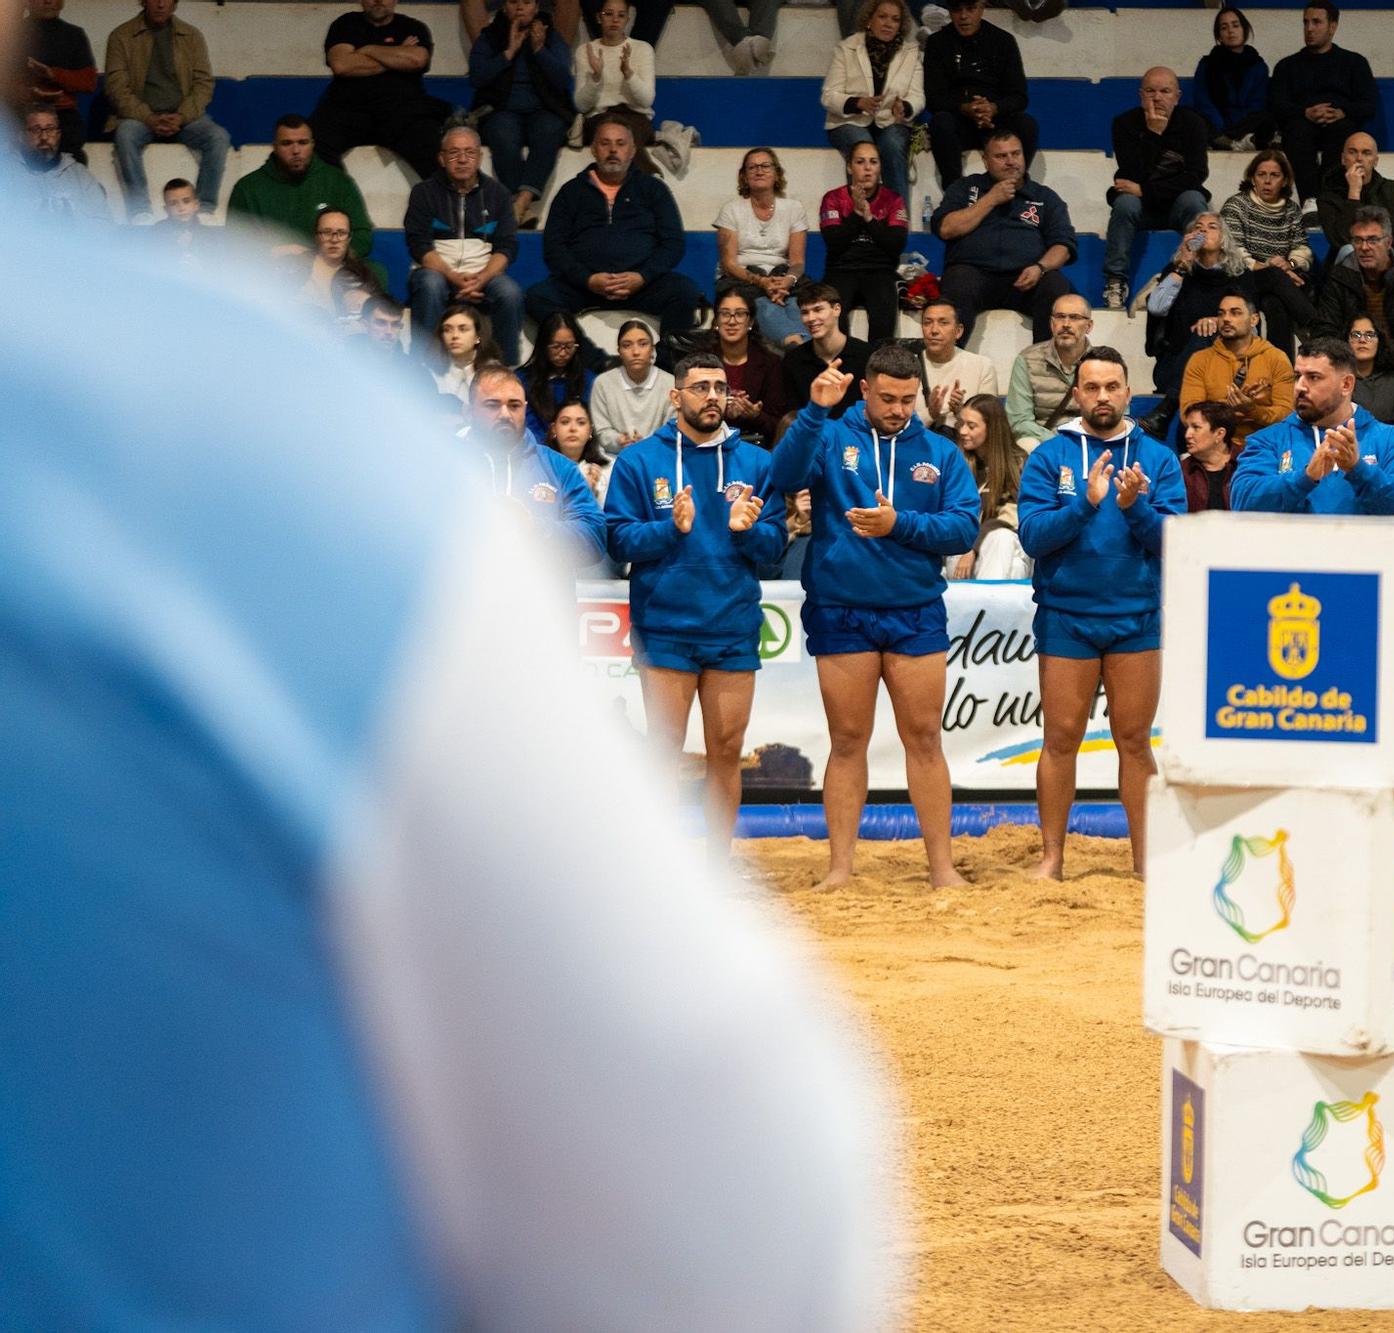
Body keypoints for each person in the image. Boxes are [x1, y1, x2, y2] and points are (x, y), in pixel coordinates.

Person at [0, 152, 900, 1328]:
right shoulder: (258, 416)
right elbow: (745, 1206)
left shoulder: (247, 412)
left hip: (716, 618)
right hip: (644, 639)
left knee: (716, 764)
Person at [768, 345, 982, 891]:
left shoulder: (941, 450)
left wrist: (899, 524)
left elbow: (962, 529)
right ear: (863, 390)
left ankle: (942, 868)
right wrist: (816, 410)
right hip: (842, 609)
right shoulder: (832, 434)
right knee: (846, 740)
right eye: (887, 398)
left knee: (925, 739)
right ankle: (840, 869)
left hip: (914, 611)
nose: (898, 409)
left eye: (908, 400)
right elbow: (784, 475)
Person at [603, 352, 786, 859]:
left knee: (726, 752)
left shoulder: (756, 462)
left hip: (732, 626)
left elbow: (774, 548)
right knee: (664, 753)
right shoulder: (639, 461)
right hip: (665, 628)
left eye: (720, 388)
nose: (712, 397)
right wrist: (670, 528)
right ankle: (659, 866)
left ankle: (716, 862)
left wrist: (749, 531)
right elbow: (617, 541)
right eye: (701, 387)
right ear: (675, 394)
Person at [1016, 346, 1185, 880]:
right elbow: (1033, 537)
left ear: (1128, 391)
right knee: (1059, 738)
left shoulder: (1157, 458)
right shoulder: (1048, 457)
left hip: (1136, 616)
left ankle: (1144, 863)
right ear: (1076, 393)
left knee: (1134, 742)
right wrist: (1084, 503)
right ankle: (1052, 859)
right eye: (1092, 387)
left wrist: (1136, 509)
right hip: (1067, 616)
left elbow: (1176, 543)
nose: (1103, 396)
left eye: (1112, 386)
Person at [528, 116, 702, 351]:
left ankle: (665, 365)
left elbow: (673, 244)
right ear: (593, 149)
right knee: (538, 297)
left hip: (642, 284)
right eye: (605, 143)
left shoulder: (653, 189)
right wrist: (587, 279)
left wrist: (642, 276)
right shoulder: (571, 192)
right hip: (584, 285)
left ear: (632, 151)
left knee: (685, 292)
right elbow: (554, 248)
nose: (613, 150)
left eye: (620, 144)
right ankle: (594, 360)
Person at [1232, 336, 1394, 515]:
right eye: (1297, 376)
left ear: (1346, 385)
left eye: (1314, 377)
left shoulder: (1391, 440)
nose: (1300, 386)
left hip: (1365, 554)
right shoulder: (1267, 440)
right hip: (1293, 554)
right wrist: (1305, 478)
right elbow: (1242, 504)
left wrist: (1359, 470)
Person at [1310, 205, 1394, 445]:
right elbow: (1324, 332)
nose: (1364, 247)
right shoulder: (1339, 277)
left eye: (1372, 240)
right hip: (1351, 358)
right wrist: (1355, 353)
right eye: (1358, 240)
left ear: (1389, 241)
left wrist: (1383, 355)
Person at [931, 131, 1076, 344]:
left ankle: (1044, 363)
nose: (1010, 161)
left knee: (1055, 285)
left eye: (1016, 154)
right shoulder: (965, 188)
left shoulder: (1044, 197)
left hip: (1027, 279)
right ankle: (950, 361)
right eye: (1001, 156)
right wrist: (990, 199)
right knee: (957, 281)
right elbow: (946, 228)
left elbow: (1063, 244)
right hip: (973, 276)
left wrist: (1040, 267)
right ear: (986, 160)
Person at [465, 364, 608, 568]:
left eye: (514, 405)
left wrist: (534, 528)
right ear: (469, 411)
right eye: (492, 405)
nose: (505, 414)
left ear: (524, 408)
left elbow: (595, 538)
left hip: (542, 598)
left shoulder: (559, 468)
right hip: (464, 597)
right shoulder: (443, 465)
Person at [406, 125, 525, 365]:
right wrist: (451, 275)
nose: (462, 159)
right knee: (429, 285)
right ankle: (424, 365)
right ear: (441, 158)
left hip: (484, 272)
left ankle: (502, 367)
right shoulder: (423, 193)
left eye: (470, 153)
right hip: (437, 270)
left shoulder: (499, 194)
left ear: (480, 157)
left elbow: (506, 246)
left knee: (510, 293)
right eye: (454, 153)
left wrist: (482, 277)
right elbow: (419, 245)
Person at [103, 0, 230, 221]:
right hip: (139, 118)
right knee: (125, 135)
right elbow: (116, 88)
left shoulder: (191, 36)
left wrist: (181, 116)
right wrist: (148, 117)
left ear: (175, 3)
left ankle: (205, 209)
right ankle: (140, 209)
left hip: (184, 118)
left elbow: (203, 84)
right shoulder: (121, 36)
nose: (160, 4)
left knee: (218, 137)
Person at [1102, 68, 1212, 310]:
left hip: (1178, 206)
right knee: (1125, 203)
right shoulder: (1124, 124)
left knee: (1194, 201)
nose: (1157, 97)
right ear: (1141, 95)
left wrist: (1146, 191)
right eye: (1150, 91)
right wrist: (1154, 134)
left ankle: (1199, 273)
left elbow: (1196, 176)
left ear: (1177, 96)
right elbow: (1131, 174)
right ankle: (1115, 281)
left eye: (1165, 91)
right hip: (1140, 209)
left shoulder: (1193, 124)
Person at [311, 0, 449, 175]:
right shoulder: (345, 24)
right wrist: (397, 53)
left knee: (433, 147)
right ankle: (338, 199)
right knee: (313, 141)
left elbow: (416, 60)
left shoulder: (412, 27)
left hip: (402, 112)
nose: (378, 1)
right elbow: (342, 65)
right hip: (349, 111)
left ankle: (441, 200)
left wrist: (366, 49)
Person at [470, 0, 574, 226]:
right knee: (502, 133)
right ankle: (521, 207)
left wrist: (539, 50)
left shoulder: (550, 35)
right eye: (513, 2)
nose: (520, 8)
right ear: (505, 8)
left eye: (526, 2)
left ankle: (520, 202)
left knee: (551, 129)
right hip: (502, 109)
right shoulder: (490, 36)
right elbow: (477, 77)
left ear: (536, 9)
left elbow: (563, 80)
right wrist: (508, 53)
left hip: (543, 109)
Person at [1141, 211, 1248, 429]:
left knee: (1206, 336)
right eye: (1198, 228)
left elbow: (1250, 325)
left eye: (1211, 227)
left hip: (1226, 368)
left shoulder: (1240, 275)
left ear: (1223, 239)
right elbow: (1156, 308)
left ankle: (1166, 409)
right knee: (1201, 340)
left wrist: (1218, 322)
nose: (1203, 231)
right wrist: (1182, 265)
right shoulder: (1176, 272)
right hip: (1173, 367)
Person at [1316, 133, 1394, 312]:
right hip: (1349, 272)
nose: (1359, 158)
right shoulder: (1328, 196)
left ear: (1375, 160)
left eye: (1366, 153)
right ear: (1343, 158)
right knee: (1350, 249)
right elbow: (1341, 240)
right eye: (1353, 152)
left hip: (1392, 267)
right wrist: (1354, 192)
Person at [1268, 0, 1378, 205]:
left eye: (1316, 22)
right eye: (1306, 22)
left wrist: (1343, 111)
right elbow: (1276, 106)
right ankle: (1310, 202)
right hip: (1300, 125)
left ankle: (1329, 200)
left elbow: (1369, 104)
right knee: (1297, 132)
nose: (1309, 29)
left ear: (1332, 27)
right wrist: (1305, 112)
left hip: (1341, 126)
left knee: (1345, 133)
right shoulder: (1286, 66)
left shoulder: (1354, 63)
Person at [225, 116, 373, 259]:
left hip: (327, 271)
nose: (296, 150)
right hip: (267, 274)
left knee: (376, 273)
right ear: (275, 147)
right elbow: (234, 244)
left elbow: (362, 237)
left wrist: (324, 259)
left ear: (312, 144)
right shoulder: (247, 189)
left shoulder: (338, 181)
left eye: (303, 142)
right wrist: (272, 254)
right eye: (287, 143)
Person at [924, 0, 1035, 188]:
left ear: (982, 8)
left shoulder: (1003, 41)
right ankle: (954, 192)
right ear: (950, 12)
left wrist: (993, 108)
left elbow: (1019, 97)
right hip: (958, 122)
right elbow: (934, 99)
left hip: (995, 122)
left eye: (970, 8)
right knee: (941, 123)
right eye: (957, 9)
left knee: (1026, 124)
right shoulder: (938, 43)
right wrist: (964, 108)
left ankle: (1018, 185)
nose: (964, 16)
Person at [822, 0, 923, 204]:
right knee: (863, 149)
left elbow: (917, 96)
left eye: (895, 19)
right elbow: (829, 95)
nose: (888, 24)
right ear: (869, 19)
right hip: (850, 121)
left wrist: (906, 106)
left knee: (893, 145)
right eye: (882, 17)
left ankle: (897, 218)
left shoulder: (911, 53)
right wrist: (857, 102)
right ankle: (861, 214)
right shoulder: (847, 48)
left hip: (891, 122)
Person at [1218, 149, 1317, 355]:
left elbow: (1303, 249)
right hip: (1242, 279)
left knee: (1276, 305)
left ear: (1285, 180)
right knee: (1272, 275)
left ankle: (1279, 371)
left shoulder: (1291, 209)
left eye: (1274, 175)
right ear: (1252, 178)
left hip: (1277, 285)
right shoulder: (1237, 206)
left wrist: (1288, 265)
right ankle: (1318, 328)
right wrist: (1269, 268)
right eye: (1261, 175)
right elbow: (1233, 251)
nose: (1267, 181)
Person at [716, 147, 810, 348]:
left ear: (776, 173)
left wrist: (786, 281)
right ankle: (796, 345)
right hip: (742, 276)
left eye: (765, 166)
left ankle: (802, 346)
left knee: (797, 304)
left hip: (781, 275)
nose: (759, 171)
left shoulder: (794, 208)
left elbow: (798, 262)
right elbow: (729, 264)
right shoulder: (731, 210)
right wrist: (762, 283)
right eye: (752, 167)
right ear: (744, 176)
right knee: (764, 305)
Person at [820, 140, 910, 344]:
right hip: (841, 269)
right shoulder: (833, 198)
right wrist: (856, 214)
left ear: (880, 167)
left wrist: (869, 218)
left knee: (883, 319)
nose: (867, 168)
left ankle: (877, 370)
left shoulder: (893, 199)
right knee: (833, 316)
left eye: (873, 162)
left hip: (880, 270)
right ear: (849, 167)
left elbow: (896, 245)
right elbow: (834, 242)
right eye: (860, 162)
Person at [1180, 291, 1294, 435]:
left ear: (1254, 320)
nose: (1226, 319)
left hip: (1264, 448)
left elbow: (1287, 414)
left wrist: (1253, 410)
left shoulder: (1276, 358)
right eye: (1221, 313)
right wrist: (1229, 410)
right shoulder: (1200, 360)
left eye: (1235, 313)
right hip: (1214, 446)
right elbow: (1188, 415)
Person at [947, 394, 1029, 577]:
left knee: (1001, 539)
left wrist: (975, 547)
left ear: (991, 428)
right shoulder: (958, 462)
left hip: (1004, 544)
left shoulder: (1018, 463)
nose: (962, 431)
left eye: (971, 426)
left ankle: (987, 604)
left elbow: (1013, 516)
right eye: (961, 423)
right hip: (964, 546)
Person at [1007, 293, 1093, 447]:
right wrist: (1058, 442)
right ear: (1052, 323)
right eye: (1060, 317)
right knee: (1025, 443)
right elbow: (1019, 420)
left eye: (1074, 317)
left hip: (1091, 441)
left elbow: (1118, 414)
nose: (1066, 324)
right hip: (1043, 442)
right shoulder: (1028, 359)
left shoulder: (1103, 362)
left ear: (1089, 326)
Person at [781, 283, 875, 420]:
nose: (811, 318)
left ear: (836, 309)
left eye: (818, 309)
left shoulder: (867, 355)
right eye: (805, 312)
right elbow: (791, 415)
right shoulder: (793, 361)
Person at [1185, 7, 1273, 149]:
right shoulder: (1207, 64)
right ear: (1219, 35)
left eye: (1235, 25)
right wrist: (1220, 126)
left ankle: (1228, 141)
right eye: (1224, 27)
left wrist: (1237, 127)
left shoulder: (1258, 65)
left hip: (1246, 123)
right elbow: (1203, 100)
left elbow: (1257, 103)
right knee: (1187, 116)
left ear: (1244, 29)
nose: (1230, 31)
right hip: (1216, 123)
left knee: (1268, 116)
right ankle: (1230, 141)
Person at [19, 0, 94, 162]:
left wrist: (53, 74)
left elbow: (89, 82)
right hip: (20, 111)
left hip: (63, 113)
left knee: (75, 155)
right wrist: (29, 94)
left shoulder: (74, 35)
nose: (48, 1)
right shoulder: (11, 36)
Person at [710, 289, 786, 445]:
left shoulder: (770, 363)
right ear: (716, 321)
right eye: (725, 314)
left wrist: (755, 416)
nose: (732, 321)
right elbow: (688, 417)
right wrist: (721, 411)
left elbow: (780, 427)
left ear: (750, 322)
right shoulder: (701, 362)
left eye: (740, 314)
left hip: (756, 446)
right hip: (709, 445)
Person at [590, 318, 673, 454]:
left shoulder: (670, 384)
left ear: (652, 350)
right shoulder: (603, 383)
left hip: (658, 456)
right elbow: (602, 431)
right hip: (616, 457)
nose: (635, 352)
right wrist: (619, 440)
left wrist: (647, 443)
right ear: (619, 351)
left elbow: (672, 430)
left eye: (643, 344)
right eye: (627, 345)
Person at [571, 0, 653, 133]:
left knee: (625, 137)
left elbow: (646, 101)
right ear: (599, 17)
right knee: (610, 135)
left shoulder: (643, 49)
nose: (615, 20)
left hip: (635, 116)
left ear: (627, 19)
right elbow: (581, 106)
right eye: (608, 14)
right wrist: (596, 77)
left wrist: (628, 73)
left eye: (621, 15)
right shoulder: (586, 50)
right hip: (599, 117)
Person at [916, 300, 999, 430]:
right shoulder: (906, 366)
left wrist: (961, 412)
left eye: (943, 323)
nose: (934, 330)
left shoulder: (982, 366)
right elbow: (898, 426)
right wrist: (930, 413)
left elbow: (991, 425)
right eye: (927, 323)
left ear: (958, 331)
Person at [299, 208, 387, 328]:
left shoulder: (363, 275)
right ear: (316, 236)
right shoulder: (295, 267)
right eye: (326, 232)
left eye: (341, 233)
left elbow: (378, 318)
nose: (334, 239)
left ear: (349, 238)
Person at [18, 106, 108, 220]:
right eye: (36, 130)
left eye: (50, 129)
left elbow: (103, 221)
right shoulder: (8, 174)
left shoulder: (79, 174)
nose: (44, 137)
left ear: (58, 135)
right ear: (21, 136)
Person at [520, 310, 595, 441]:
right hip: (538, 451)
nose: (562, 353)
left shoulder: (589, 380)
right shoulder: (522, 380)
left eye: (569, 346)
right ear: (543, 345)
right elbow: (526, 427)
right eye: (556, 346)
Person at [1347, 313, 1394, 435]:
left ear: (1380, 341)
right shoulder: (1337, 381)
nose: (1362, 340)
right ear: (1346, 341)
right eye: (1356, 335)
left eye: (1369, 335)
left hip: (1390, 449)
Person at [1179, 400, 1243, 512]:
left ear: (1219, 433)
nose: (1187, 435)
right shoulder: (1181, 470)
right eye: (1187, 428)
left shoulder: (1248, 463)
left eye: (1196, 427)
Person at [545, 398, 612, 502]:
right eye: (565, 422)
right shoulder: (541, 467)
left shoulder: (607, 471)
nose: (573, 428)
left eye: (581, 423)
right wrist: (582, 493)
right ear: (554, 429)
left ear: (590, 430)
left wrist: (594, 495)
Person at [431, 301, 493, 404]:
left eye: (463, 329)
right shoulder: (428, 371)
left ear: (478, 336)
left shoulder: (494, 372)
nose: (455, 335)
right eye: (447, 330)